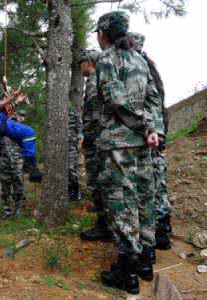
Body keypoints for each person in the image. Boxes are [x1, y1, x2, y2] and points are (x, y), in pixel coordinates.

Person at [94, 11, 161, 294]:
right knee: (144, 198)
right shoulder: (140, 59)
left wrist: (145, 126)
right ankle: (146, 260)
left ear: (104, 33)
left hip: (120, 144)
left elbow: (116, 100)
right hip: (144, 145)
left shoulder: (107, 59)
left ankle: (127, 273)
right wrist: (154, 131)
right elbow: (154, 99)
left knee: (122, 204)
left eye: (98, 32)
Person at [129, 32, 172, 250]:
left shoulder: (142, 67)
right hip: (154, 131)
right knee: (156, 181)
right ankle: (160, 231)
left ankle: (160, 232)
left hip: (151, 134)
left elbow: (155, 104)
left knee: (154, 182)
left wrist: (159, 137)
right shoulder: (147, 65)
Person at [0, 60, 42, 182]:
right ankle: (30, 166)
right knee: (29, 132)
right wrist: (10, 97)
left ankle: (33, 170)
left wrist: (15, 102)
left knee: (25, 142)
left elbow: (2, 110)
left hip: (1, 121)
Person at [78, 50, 113, 242]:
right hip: (99, 139)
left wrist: (88, 137)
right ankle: (105, 223)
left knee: (98, 184)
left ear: (89, 62)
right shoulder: (97, 79)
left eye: (81, 62)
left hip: (96, 141)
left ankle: (104, 225)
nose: (79, 66)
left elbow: (93, 114)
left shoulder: (93, 81)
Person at [0, 109, 25, 218]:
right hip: (5, 163)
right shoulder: (0, 131)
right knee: (5, 189)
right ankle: (6, 211)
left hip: (17, 163)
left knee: (18, 187)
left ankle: (18, 209)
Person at [68, 108, 83, 201]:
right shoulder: (56, 111)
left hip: (72, 144)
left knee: (71, 167)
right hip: (60, 145)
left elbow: (80, 128)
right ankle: (69, 191)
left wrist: (80, 141)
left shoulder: (73, 112)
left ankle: (76, 191)